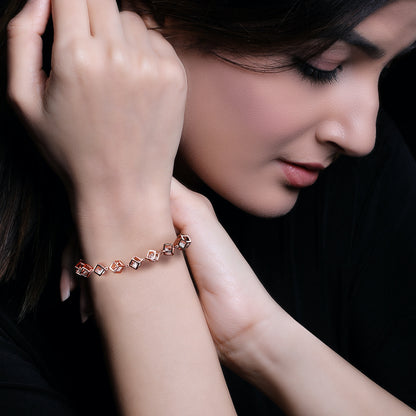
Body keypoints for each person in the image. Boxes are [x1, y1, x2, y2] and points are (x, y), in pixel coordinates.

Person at [0, 0, 416, 414]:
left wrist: (257, 335)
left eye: (387, 69)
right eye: (323, 64)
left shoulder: (361, 181)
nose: (362, 137)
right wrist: (125, 205)